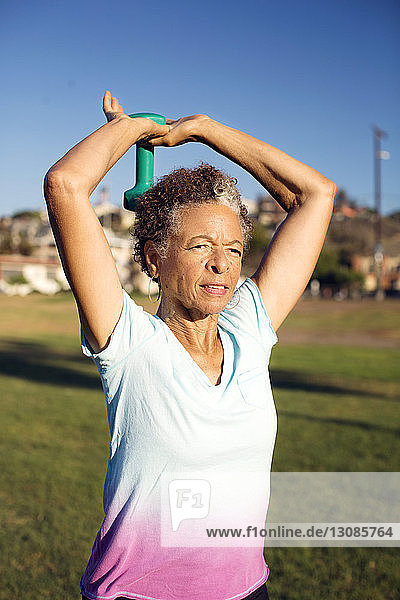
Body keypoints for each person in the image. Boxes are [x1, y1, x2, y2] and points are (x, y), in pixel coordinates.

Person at [43, 90, 336, 600]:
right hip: (139, 595)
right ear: (154, 260)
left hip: (247, 591)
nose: (221, 264)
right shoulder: (129, 342)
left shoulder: (249, 331)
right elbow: (66, 185)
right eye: (200, 246)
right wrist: (135, 127)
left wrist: (206, 129)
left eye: (233, 249)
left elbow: (316, 195)